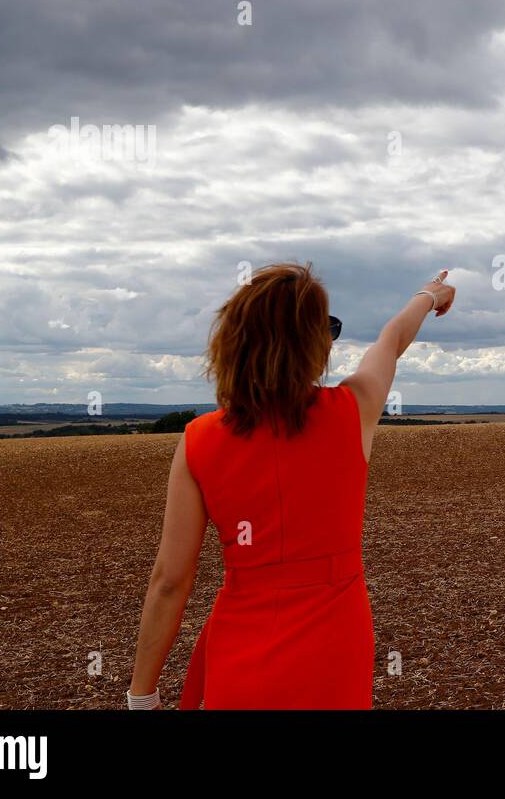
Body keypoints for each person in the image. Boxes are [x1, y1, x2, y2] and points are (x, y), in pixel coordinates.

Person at [126, 263, 455, 709]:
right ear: (315, 345)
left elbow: (170, 581)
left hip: (240, 645)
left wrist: (141, 695)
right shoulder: (353, 409)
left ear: (234, 344)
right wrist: (429, 296)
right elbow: (392, 340)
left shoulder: (199, 440)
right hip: (335, 647)